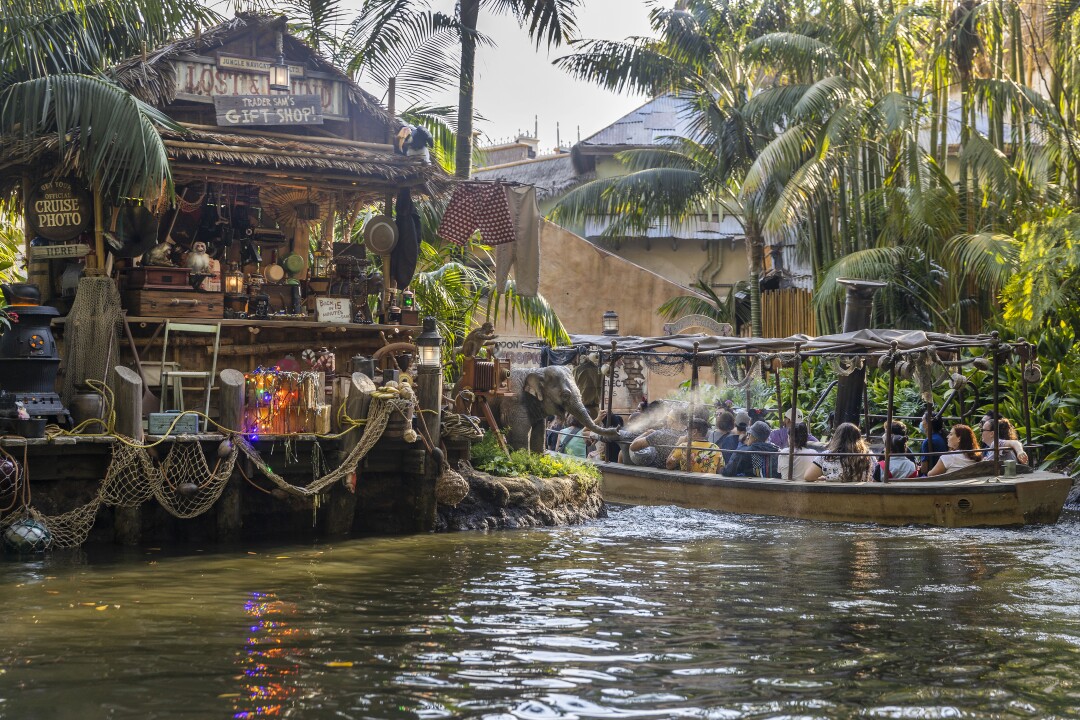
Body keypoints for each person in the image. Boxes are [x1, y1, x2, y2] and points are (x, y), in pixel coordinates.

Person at [805, 422, 875, 483]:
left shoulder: (826, 456)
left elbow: (808, 476)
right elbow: (876, 477)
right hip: (862, 494)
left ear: (836, 437)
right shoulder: (868, 455)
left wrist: (828, 478)